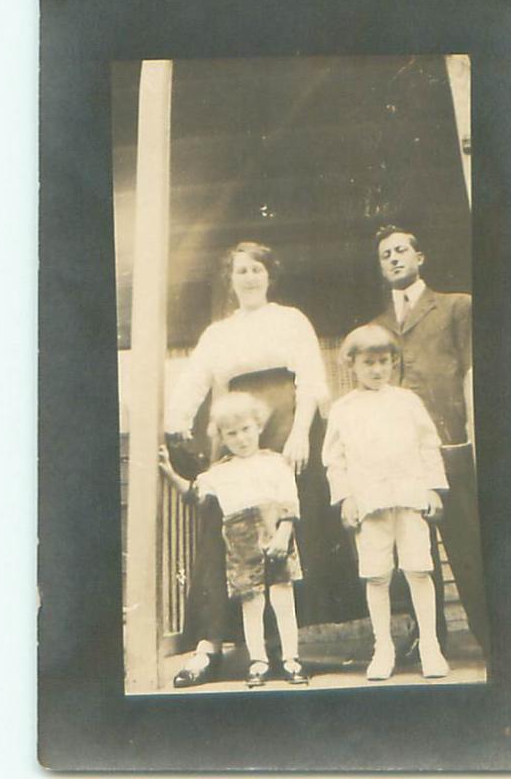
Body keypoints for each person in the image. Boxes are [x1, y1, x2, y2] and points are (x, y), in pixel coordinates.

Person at [164, 241, 363, 688]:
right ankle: (210, 645)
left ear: (270, 276)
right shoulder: (218, 332)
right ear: (230, 281)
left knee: (283, 535)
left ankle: (285, 648)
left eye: (257, 270)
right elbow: (195, 380)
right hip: (238, 430)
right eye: (241, 271)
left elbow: (311, 378)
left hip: (286, 429)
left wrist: (299, 433)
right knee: (224, 528)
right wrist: (174, 422)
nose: (250, 277)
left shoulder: (291, 319)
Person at [371, 224, 489, 660]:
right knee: (414, 553)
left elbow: (473, 373)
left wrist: (475, 437)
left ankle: (492, 638)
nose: (394, 258)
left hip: (450, 446)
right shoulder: (378, 328)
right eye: (385, 255)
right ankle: (429, 639)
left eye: (401, 250)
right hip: (401, 461)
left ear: (420, 257)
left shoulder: (457, 307)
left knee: (468, 545)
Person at [322, 324, 450, 680]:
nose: (377, 369)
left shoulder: (407, 401)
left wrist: (432, 488)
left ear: (394, 362)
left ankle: (430, 645)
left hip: (410, 498)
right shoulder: (344, 409)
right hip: (370, 501)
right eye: (368, 363)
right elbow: (335, 459)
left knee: (418, 569)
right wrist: (346, 498)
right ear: (352, 365)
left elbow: (428, 445)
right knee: (377, 575)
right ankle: (383, 647)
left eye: (383, 361)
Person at [160, 392, 309, 687]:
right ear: (223, 438)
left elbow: (290, 504)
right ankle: (258, 662)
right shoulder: (219, 472)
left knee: (282, 599)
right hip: (240, 547)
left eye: (246, 430)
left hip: (276, 536)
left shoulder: (276, 463)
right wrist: (168, 470)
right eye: (232, 434)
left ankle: (292, 659)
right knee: (250, 603)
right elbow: (195, 495)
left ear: (258, 427)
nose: (241, 439)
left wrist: (283, 535)